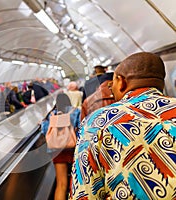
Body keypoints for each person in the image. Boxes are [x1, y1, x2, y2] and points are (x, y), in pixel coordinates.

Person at [70, 52, 176, 200]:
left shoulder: (96, 122)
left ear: (121, 82)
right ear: (161, 83)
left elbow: (84, 193)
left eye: (112, 83)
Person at [41, 93, 80, 200]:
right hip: (73, 149)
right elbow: (81, 127)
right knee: (76, 181)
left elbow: (44, 130)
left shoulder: (51, 114)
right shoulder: (75, 111)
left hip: (57, 150)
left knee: (61, 183)